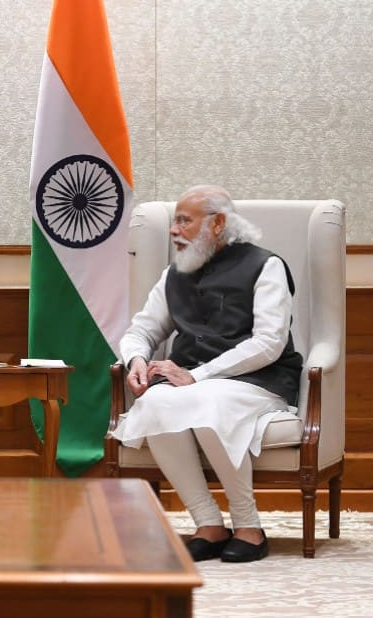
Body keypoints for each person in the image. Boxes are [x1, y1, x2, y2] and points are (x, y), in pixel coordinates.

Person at [109, 185, 302, 564]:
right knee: (154, 402)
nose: (173, 229)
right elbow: (142, 330)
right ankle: (208, 524)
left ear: (217, 225)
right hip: (191, 383)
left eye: (184, 220)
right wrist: (135, 359)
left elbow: (269, 343)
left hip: (259, 381)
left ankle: (248, 525)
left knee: (208, 401)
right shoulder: (173, 274)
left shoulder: (266, 266)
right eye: (174, 220)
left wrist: (200, 375)